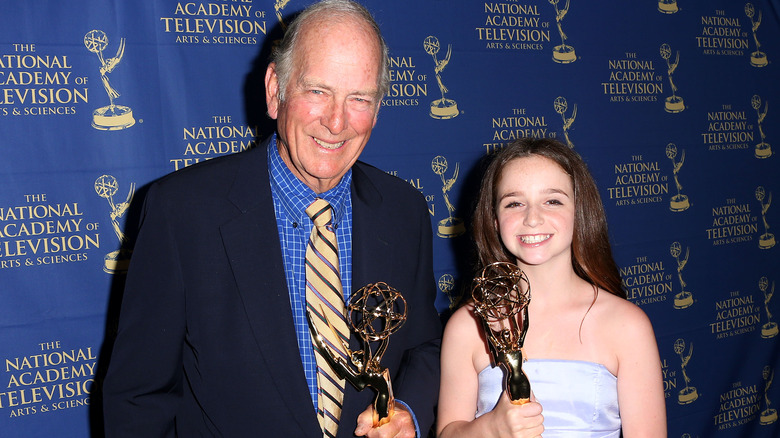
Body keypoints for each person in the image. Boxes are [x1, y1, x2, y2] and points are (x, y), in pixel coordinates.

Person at [101, 1, 441, 437]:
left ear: (377, 109)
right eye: (318, 91)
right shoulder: (182, 213)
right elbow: (137, 399)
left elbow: (424, 347)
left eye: (359, 98)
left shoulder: (404, 211)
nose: (337, 121)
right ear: (274, 89)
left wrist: (409, 410)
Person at [437, 137, 666, 437]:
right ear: (494, 220)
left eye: (552, 201)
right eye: (514, 203)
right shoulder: (468, 324)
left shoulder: (627, 325)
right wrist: (491, 427)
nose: (532, 218)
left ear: (579, 211)